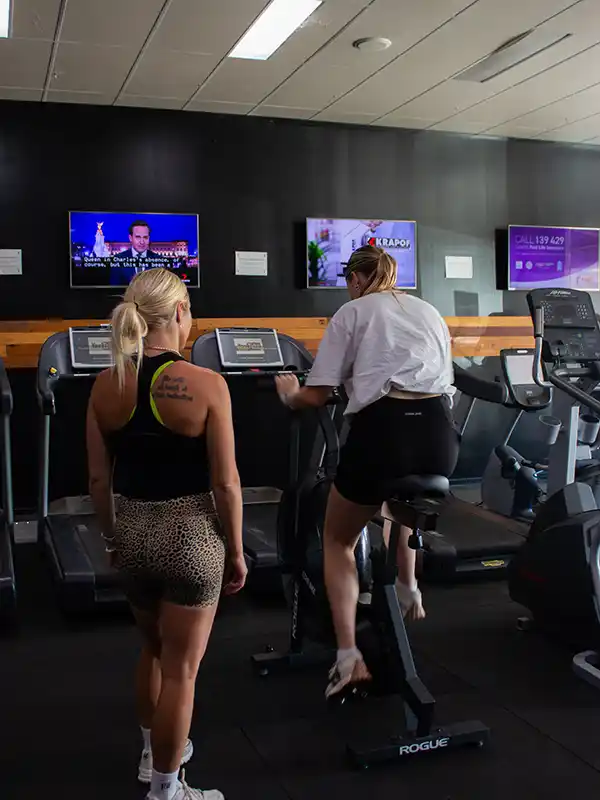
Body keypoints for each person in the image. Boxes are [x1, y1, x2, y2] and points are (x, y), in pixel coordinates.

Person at [86, 268, 246, 800]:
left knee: (152, 651)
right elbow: (225, 484)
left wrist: (113, 539)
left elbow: (97, 480)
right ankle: (166, 789)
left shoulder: (106, 383)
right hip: (190, 537)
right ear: (179, 313)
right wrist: (238, 551)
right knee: (181, 670)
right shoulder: (206, 385)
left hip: (133, 532)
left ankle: (151, 755)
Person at [274, 245, 459, 700]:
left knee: (339, 539)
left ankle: (347, 655)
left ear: (356, 278)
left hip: (383, 433)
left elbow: (316, 396)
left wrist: (290, 393)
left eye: (348, 280)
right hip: (439, 435)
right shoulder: (428, 310)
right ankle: (408, 586)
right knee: (397, 503)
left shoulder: (352, 312)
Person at [111, 220, 164, 285]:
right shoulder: (117, 259)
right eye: (138, 237)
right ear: (130, 238)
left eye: (145, 237)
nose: (142, 242)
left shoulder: (159, 260)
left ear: (149, 238)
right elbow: (114, 288)